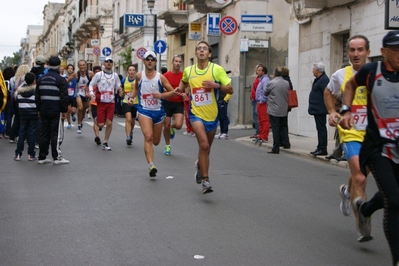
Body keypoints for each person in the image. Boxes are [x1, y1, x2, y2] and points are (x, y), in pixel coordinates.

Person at [340, 30, 399, 264]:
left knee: (391, 195)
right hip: (378, 147)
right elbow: (349, 87)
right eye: (395, 49)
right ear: (384, 53)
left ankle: (365, 209)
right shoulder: (370, 72)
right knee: (395, 201)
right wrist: (345, 111)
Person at [324, 34, 373, 241]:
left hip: (373, 134)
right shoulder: (340, 75)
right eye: (352, 50)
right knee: (360, 177)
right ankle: (361, 225)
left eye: (360, 50)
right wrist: (332, 112)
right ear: (347, 53)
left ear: (368, 53)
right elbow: (328, 92)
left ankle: (346, 191)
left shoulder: (376, 73)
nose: (356, 54)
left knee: (360, 175)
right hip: (350, 132)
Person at [177, 41, 234, 193]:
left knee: (206, 150)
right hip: (195, 114)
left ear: (209, 54)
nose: (201, 51)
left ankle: (199, 165)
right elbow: (182, 86)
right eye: (199, 49)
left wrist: (216, 86)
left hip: (212, 115)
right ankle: (206, 180)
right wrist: (180, 91)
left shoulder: (216, 69)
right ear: (195, 53)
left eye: (204, 49)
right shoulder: (189, 71)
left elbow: (230, 89)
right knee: (204, 145)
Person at [132, 51, 178, 177]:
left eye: (152, 59)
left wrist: (161, 95)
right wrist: (131, 97)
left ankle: (153, 152)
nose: (150, 61)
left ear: (156, 62)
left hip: (158, 111)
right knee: (148, 137)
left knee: (156, 141)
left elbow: (172, 92)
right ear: (144, 61)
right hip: (144, 110)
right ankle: (151, 165)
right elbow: (136, 88)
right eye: (148, 59)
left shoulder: (161, 77)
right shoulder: (139, 76)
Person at [35, 56, 69, 165]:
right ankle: (56, 157)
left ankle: (42, 156)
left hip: (44, 109)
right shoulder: (60, 79)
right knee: (55, 133)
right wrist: (64, 111)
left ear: (48, 64)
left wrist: (39, 109)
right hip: (55, 110)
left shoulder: (41, 79)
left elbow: (37, 96)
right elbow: (64, 97)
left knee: (44, 133)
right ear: (59, 66)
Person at [89, 57, 122, 151]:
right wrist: (92, 94)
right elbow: (91, 84)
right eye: (107, 61)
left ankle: (105, 142)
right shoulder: (99, 75)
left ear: (112, 64)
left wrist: (120, 90)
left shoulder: (115, 75)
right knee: (100, 125)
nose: (108, 63)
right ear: (104, 63)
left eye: (110, 61)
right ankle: (97, 120)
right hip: (101, 102)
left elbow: (118, 85)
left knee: (109, 123)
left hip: (111, 102)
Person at [264, 66, 290, 154]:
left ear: (274, 74)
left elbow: (265, 92)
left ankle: (276, 147)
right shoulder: (286, 83)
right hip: (284, 108)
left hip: (274, 109)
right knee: (284, 126)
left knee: (275, 128)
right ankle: (286, 143)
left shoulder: (271, 83)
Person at [162, 55, 185, 155]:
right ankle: (167, 146)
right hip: (167, 102)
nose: (178, 63)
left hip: (178, 103)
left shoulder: (184, 75)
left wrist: (185, 94)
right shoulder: (166, 75)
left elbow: (186, 88)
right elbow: (161, 88)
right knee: (165, 126)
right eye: (176, 61)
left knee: (179, 125)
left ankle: (172, 127)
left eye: (180, 62)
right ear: (172, 62)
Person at [14, 73, 38, 161]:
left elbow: (17, 103)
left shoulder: (19, 91)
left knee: (22, 132)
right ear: (33, 81)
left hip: (23, 113)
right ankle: (31, 154)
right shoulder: (35, 91)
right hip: (33, 113)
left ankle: (18, 154)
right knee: (32, 133)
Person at [308, 62, 330, 156]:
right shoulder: (318, 79)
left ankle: (323, 148)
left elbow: (326, 94)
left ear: (317, 70)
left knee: (321, 129)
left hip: (320, 108)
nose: (312, 71)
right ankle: (320, 146)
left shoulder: (324, 80)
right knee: (319, 128)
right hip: (317, 108)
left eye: (313, 69)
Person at [70, 60, 93, 134]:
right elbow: (66, 81)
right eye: (80, 65)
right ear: (78, 66)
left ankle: (81, 121)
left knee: (84, 109)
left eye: (83, 65)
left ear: (86, 65)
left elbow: (95, 82)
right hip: (78, 93)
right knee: (80, 108)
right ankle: (79, 125)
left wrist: (90, 90)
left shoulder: (90, 73)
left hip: (86, 94)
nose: (82, 66)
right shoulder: (76, 74)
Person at [120, 64, 138, 146]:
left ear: (135, 72)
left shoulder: (138, 81)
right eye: (130, 70)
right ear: (127, 72)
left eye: (133, 70)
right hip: (126, 102)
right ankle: (127, 137)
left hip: (135, 103)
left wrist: (136, 88)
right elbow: (121, 89)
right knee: (128, 119)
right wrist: (121, 92)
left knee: (133, 120)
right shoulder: (124, 80)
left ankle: (131, 132)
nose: (131, 71)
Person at [254, 65, 270, 144]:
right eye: (258, 70)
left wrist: (262, 100)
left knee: (264, 119)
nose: (258, 71)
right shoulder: (261, 79)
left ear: (263, 72)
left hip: (263, 103)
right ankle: (261, 135)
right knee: (260, 120)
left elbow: (266, 91)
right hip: (259, 102)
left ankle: (264, 136)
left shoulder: (265, 80)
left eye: (259, 70)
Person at [215, 70, 232, 140]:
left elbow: (230, 92)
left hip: (223, 101)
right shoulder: (219, 82)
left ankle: (225, 133)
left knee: (224, 117)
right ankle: (221, 132)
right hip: (219, 100)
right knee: (220, 117)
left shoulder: (227, 82)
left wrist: (225, 100)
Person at [250, 64, 263, 138]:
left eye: (258, 70)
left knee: (256, 116)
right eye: (256, 69)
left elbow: (259, 90)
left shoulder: (260, 79)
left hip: (256, 100)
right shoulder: (257, 78)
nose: (256, 71)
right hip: (254, 99)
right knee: (255, 116)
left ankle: (258, 132)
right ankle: (257, 132)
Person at [90, 65, 102, 145]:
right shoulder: (92, 80)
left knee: (101, 121)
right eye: (96, 72)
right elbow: (88, 87)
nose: (97, 73)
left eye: (99, 72)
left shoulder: (104, 79)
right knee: (95, 119)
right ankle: (97, 136)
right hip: (94, 102)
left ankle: (100, 126)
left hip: (102, 102)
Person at [2, 67, 15, 139]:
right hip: (9, 100)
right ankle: (7, 132)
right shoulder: (10, 81)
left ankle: (1, 131)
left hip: (2, 100)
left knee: (2, 116)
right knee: (9, 116)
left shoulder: (2, 81)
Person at [65, 64, 77, 129]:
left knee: (73, 110)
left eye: (71, 68)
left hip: (73, 96)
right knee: (68, 110)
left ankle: (73, 114)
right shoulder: (64, 78)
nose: (70, 69)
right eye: (69, 68)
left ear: (73, 70)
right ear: (67, 70)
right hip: (67, 96)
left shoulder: (75, 78)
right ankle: (69, 123)